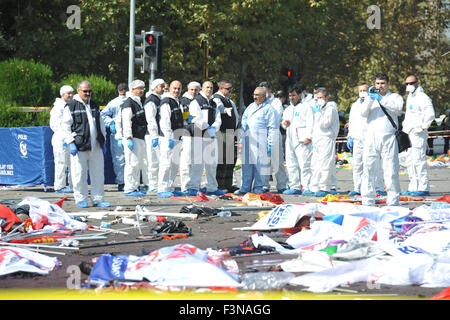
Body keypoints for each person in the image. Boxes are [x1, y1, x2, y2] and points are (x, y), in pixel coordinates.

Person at [62, 80, 111, 208]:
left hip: (96, 146)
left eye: (90, 91)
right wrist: (71, 142)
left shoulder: (94, 105)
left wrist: (103, 141)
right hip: (79, 147)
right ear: (78, 91)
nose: (88, 93)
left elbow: (101, 125)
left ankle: (98, 199)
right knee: (79, 174)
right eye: (85, 91)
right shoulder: (71, 106)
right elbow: (65, 127)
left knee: (98, 174)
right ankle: (80, 199)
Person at [361, 73, 403, 206]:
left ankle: (393, 201)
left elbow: (397, 110)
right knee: (368, 169)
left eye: (383, 83)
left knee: (391, 170)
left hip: (388, 137)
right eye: (378, 83)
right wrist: (369, 99)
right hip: (371, 138)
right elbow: (363, 113)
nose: (380, 86)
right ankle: (367, 200)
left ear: (388, 84)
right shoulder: (370, 98)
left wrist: (380, 99)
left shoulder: (395, 97)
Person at [235, 86, 277, 195]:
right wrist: (241, 138)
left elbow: (272, 128)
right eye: (254, 95)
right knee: (247, 166)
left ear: (264, 96)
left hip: (261, 142)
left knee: (260, 166)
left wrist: (270, 144)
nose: (255, 97)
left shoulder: (269, 109)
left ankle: (258, 188)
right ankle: (245, 188)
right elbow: (244, 122)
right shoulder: (250, 107)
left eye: (257, 95)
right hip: (248, 141)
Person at [347, 84, 386, 197]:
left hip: (370, 138)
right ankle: (357, 187)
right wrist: (350, 136)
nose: (363, 92)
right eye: (361, 90)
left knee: (374, 164)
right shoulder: (355, 105)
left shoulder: (374, 103)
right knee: (358, 164)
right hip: (357, 138)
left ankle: (378, 187)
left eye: (365, 90)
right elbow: (352, 121)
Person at [186, 81, 223, 196]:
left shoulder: (213, 103)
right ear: (202, 88)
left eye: (211, 88)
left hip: (211, 136)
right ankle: (194, 187)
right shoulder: (196, 102)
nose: (209, 89)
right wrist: (208, 128)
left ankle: (212, 187)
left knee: (212, 164)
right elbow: (196, 119)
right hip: (199, 136)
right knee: (197, 163)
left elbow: (218, 118)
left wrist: (214, 128)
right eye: (207, 87)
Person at [401, 75, 435, 196]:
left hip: (418, 133)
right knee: (410, 161)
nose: (409, 86)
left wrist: (423, 127)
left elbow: (430, 114)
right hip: (409, 132)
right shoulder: (410, 97)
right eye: (407, 84)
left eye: (411, 83)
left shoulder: (423, 97)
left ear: (417, 83)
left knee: (419, 160)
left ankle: (423, 187)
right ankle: (413, 187)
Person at [282, 83, 314, 195]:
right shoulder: (288, 109)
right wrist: (284, 124)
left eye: (294, 95)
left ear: (300, 95)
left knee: (304, 164)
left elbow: (311, 122)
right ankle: (294, 186)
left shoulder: (306, 107)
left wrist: (309, 137)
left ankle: (306, 187)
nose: (291, 97)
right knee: (291, 163)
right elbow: (284, 123)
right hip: (290, 140)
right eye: (290, 95)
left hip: (302, 140)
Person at [157, 80, 186, 197]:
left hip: (177, 136)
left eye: (178, 89)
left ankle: (170, 187)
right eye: (174, 88)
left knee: (174, 164)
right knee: (166, 164)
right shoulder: (166, 102)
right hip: (167, 138)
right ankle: (162, 188)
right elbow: (165, 121)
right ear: (169, 89)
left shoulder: (177, 102)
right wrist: (169, 137)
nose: (176, 91)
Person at [120, 80, 148, 197]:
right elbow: (126, 121)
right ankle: (129, 188)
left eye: (142, 88)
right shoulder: (129, 103)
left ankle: (134, 187)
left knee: (137, 164)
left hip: (139, 137)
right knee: (132, 164)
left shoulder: (138, 102)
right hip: (133, 137)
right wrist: (128, 137)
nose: (141, 90)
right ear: (132, 90)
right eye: (139, 88)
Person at [309, 87, 340, 197]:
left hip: (327, 139)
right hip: (318, 140)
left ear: (327, 98)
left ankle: (324, 187)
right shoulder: (320, 108)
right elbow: (316, 126)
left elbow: (324, 124)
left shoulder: (330, 109)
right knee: (315, 164)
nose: (319, 100)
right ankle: (314, 186)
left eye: (321, 97)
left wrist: (317, 113)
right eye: (317, 98)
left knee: (325, 164)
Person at [213, 79, 241, 193]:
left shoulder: (229, 100)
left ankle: (228, 184)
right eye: (228, 89)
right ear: (221, 89)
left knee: (231, 159)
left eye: (231, 89)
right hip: (222, 132)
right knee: (222, 159)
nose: (230, 91)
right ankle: (220, 184)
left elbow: (235, 116)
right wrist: (224, 110)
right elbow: (219, 109)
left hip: (231, 132)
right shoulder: (217, 98)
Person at [101, 83, 128, 192]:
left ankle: (123, 182)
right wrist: (111, 122)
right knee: (125, 159)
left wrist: (110, 122)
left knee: (120, 159)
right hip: (123, 133)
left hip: (119, 133)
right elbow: (103, 115)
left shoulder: (113, 102)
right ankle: (124, 182)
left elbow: (103, 115)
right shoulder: (118, 102)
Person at [143, 78, 166, 193]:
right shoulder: (151, 100)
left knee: (158, 160)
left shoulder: (158, 99)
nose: (163, 89)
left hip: (157, 134)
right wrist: (154, 135)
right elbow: (150, 119)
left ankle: (156, 183)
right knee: (153, 161)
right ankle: (152, 185)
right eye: (161, 87)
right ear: (155, 87)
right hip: (152, 135)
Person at [50, 85, 74, 193]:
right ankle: (59, 186)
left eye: (71, 93)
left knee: (72, 164)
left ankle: (73, 185)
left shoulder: (68, 106)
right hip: (60, 138)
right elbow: (55, 125)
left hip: (69, 137)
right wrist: (64, 137)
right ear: (62, 94)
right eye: (68, 93)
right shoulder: (58, 107)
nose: (70, 95)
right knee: (61, 163)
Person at [179, 81, 201, 194]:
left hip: (198, 134)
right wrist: (187, 118)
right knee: (186, 161)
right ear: (188, 89)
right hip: (186, 133)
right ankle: (186, 186)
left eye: (196, 90)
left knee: (197, 162)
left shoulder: (199, 100)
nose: (194, 92)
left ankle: (195, 186)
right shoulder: (183, 100)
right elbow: (182, 115)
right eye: (192, 89)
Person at [265, 90, 289, 193]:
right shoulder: (258, 103)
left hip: (274, 132)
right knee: (263, 162)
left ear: (269, 91)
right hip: (263, 133)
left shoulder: (276, 102)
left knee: (278, 160)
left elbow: (276, 116)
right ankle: (264, 185)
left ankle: (282, 184)